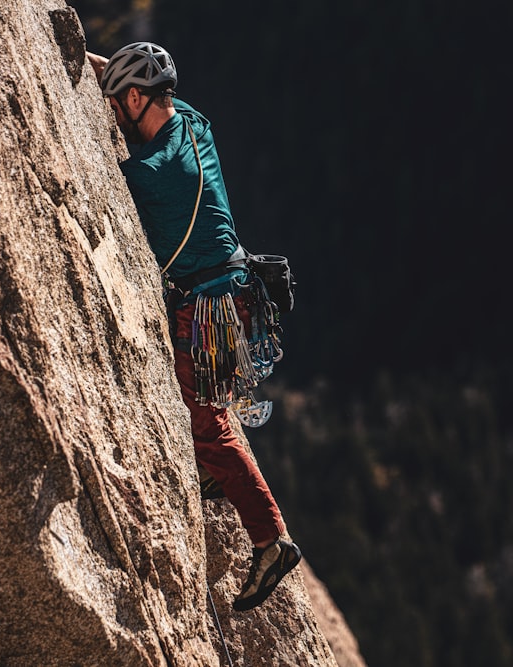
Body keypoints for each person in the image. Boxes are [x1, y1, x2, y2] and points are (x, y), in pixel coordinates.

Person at [86, 41, 301, 611]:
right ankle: (217, 473)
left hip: (205, 307)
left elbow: (112, 179)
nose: (114, 111)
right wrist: (99, 64)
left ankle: (270, 540)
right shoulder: (193, 123)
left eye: (118, 103)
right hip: (234, 292)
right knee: (209, 411)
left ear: (136, 99)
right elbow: (134, 89)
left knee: (209, 426)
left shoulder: (154, 174)